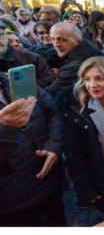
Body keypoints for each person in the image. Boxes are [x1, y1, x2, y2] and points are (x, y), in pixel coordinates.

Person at [55, 56, 104, 226]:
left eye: (99, 78)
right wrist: (85, 189)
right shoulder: (74, 111)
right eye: (87, 79)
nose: (92, 84)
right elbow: (75, 156)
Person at [0, 73, 66, 226]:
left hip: (50, 183)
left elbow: (53, 111)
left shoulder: (15, 79)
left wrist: (54, 145)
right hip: (12, 203)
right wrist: (6, 129)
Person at [46, 22, 102, 97]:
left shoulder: (76, 66)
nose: (56, 44)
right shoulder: (85, 47)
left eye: (62, 40)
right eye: (53, 39)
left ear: (78, 41)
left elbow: (50, 93)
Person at [0, 20, 53, 88]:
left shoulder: (32, 58)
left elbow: (47, 85)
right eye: (41, 33)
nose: (46, 35)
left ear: (4, 35)